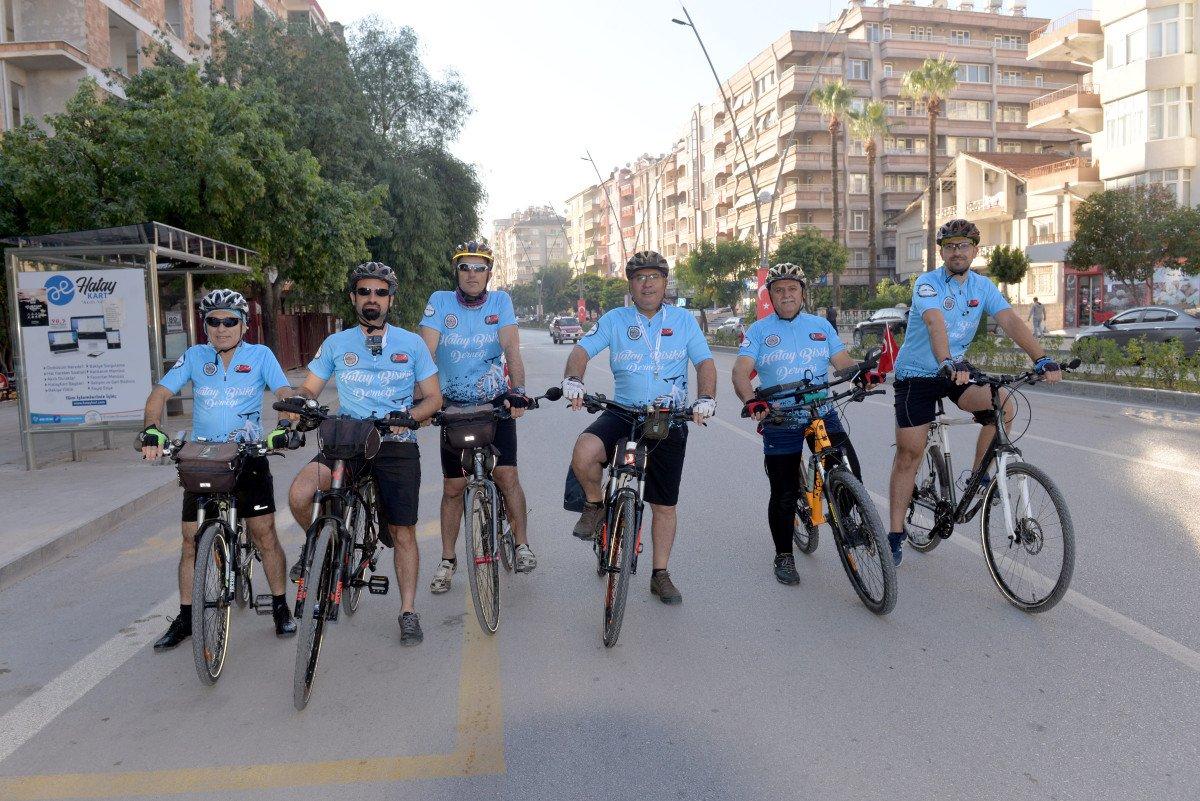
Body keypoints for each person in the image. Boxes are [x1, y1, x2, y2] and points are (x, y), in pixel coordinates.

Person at [283, 263, 442, 645]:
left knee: (403, 531)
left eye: (380, 293)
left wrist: (412, 417)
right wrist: (298, 402)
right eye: (365, 292)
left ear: (390, 299)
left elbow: (434, 398)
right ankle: (320, 546)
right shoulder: (336, 344)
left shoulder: (412, 344)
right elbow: (311, 388)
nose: (372, 299)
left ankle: (407, 611)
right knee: (300, 494)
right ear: (354, 298)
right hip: (348, 440)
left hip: (394, 442)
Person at [887, 219, 1061, 566]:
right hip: (918, 375)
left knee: (1004, 405)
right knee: (910, 453)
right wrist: (948, 360)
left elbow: (1010, 321)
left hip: (955, 371)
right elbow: (936, 321)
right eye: (950, 246)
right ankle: (894, 535)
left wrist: (1041, 358)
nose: (957, 251)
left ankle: (979, 478)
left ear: (975, 250)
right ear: (941, 252)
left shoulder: (983, 286)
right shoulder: (927, 284)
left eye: (964, 245)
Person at [138, 289, 297, 651]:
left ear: (243, 324)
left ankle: (279, 605)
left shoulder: (261, 355)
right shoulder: (195, 356)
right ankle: (185, 617)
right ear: (205, 325)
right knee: (191, 539)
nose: (221, 328)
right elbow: (160, 394)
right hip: (204, 456)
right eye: (214, 321)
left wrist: (285, 425)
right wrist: (150, 427)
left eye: (229, 321)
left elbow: (284, 392)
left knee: (264, 533)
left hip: (248, 453)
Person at [562, 250, 717, 605]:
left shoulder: (683, 321)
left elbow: (705, 362)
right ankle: (595, 504)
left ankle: (660, 574)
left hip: (669, 417)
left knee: (664, 504)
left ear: (665, 283)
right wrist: (574, 379)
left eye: (654, 277)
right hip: (623, 413)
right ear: (631, 285)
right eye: (639, 278)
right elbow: (582, 351)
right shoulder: (616, 319)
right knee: (584, 452)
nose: (647, 284)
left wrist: (706, 397)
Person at [732, 263, 867, 585]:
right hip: (781, 417)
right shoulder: (759, 331)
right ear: (771, 296)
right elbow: (740, 372)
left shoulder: (820, 326)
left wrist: (862, 374)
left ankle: (847, 519)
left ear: (802, 293)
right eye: (779, 290)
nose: (786, 294)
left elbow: (843, 363)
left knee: (850, 467)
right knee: (782, 492)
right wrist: (752, 401)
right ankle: (784, 555)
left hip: (821, 410)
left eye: (792, 288)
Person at [420, 240, 536, 595]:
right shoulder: (440, 301)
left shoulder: (500, 302)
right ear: (457, 271)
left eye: (479, 267)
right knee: (454, 487)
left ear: (489, 272)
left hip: (493, 403)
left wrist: (517, 391)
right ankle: (447, 559)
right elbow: (426, 352)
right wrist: (423, 402)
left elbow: (511, 349)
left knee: (507, 475)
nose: (472, 274)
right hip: (451, 406)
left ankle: (521, 545)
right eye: (465, 267)